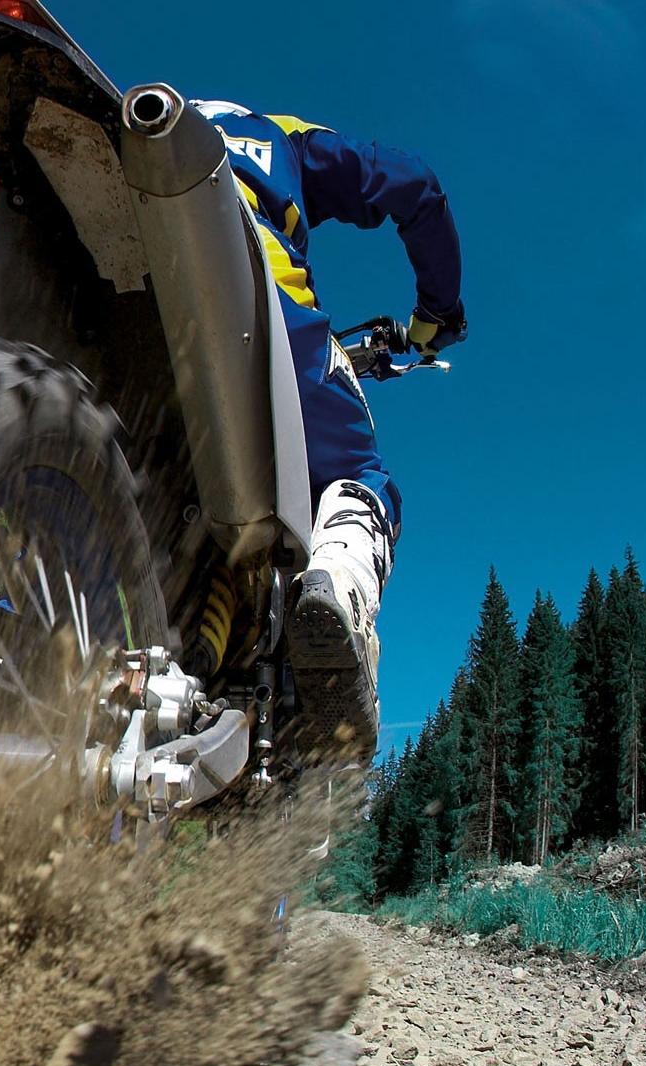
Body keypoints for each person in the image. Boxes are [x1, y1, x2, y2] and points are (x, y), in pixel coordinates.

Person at [192, 99, 467, 751]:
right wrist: (437, 313)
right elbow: (413, 183)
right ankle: (338, 590)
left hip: (98, 330)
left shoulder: (120, 124)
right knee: (361, 476)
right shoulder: (275, 135)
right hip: (258, 314)